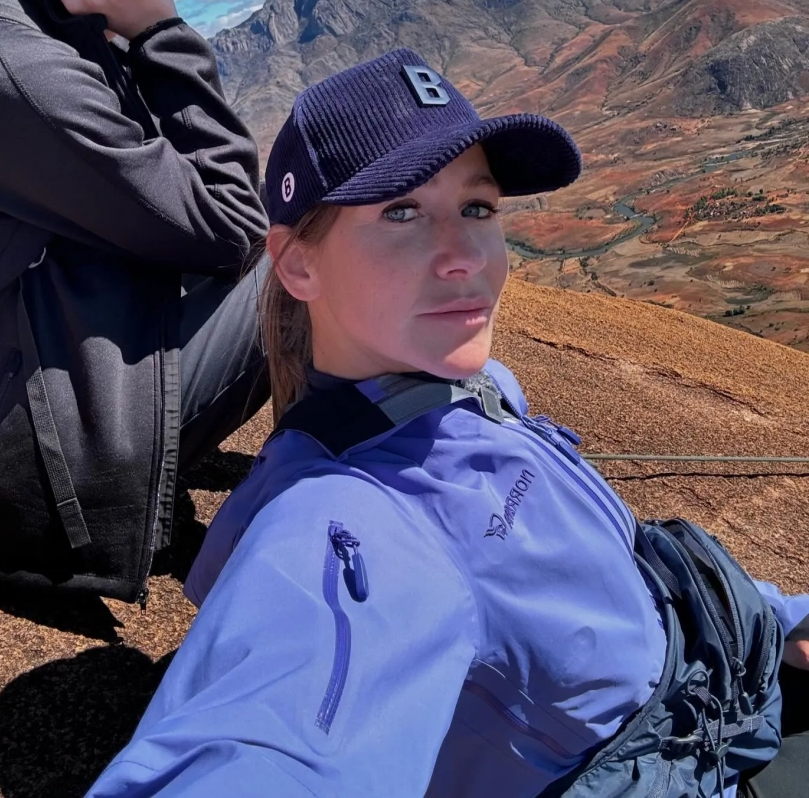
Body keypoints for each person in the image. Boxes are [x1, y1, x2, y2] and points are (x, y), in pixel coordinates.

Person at [86, 49, 809, 796]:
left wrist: (785, 620)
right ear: (298, 265)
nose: (465, 255)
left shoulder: (475, 387)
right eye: (401, 212)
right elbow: (266, 743)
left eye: (478, 207)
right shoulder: (339, 519)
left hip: (739, 665)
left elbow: (610, 568)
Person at [0, 0, 271, 603]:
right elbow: (236, 224)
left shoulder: (64, 23)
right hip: (28, 477)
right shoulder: (14, 66)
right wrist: (165, 32)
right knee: (323, 251)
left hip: (44, 382)